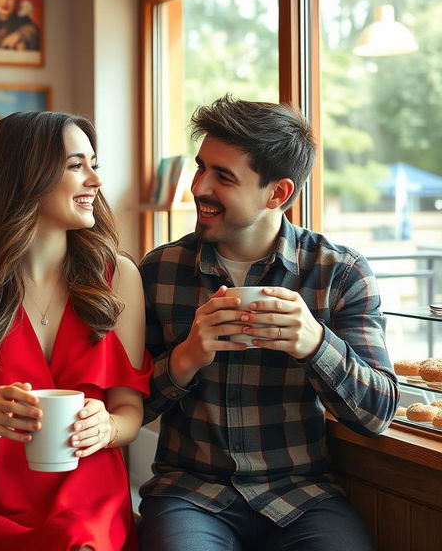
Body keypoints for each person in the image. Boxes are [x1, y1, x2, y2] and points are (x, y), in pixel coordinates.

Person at [137, 95, 398, 551]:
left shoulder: (340, 272)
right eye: (201, 168)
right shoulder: (159, 270)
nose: (199, 187)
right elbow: (127, 409)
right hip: (189, 493)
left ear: (277, 193)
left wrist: (316, 344)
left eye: (224, 177)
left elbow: (377, 414)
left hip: (302, 495)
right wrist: (185, 359)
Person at [0, 111, 152, 551]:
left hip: (85, 496)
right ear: (24, 179)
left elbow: (129, 411)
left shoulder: (119, 278)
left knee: (76, 541)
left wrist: (108, 427)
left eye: (94, 164)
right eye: (77, 166)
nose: (95, 180)